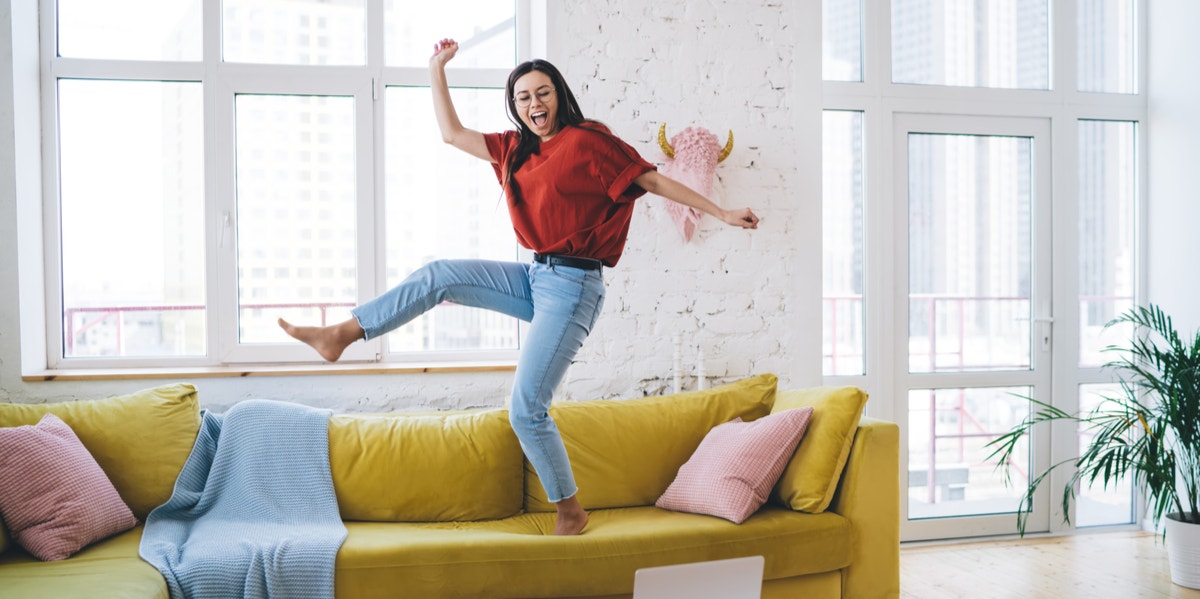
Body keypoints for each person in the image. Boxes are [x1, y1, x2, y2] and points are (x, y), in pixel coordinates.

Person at [279, 38, 760, 536]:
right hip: (535, 275)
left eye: (543, 93)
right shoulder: (513, 150)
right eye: (524, 97)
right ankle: (344, 333)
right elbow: (451, 133)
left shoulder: (589, 141)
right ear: (515, 106)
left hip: (574, 287)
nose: (535, 104)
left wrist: (722, 212)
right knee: (441, 273)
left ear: (560, 96)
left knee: (526, 409)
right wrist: (435, 68)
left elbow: (653, 181)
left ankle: (570, 511)